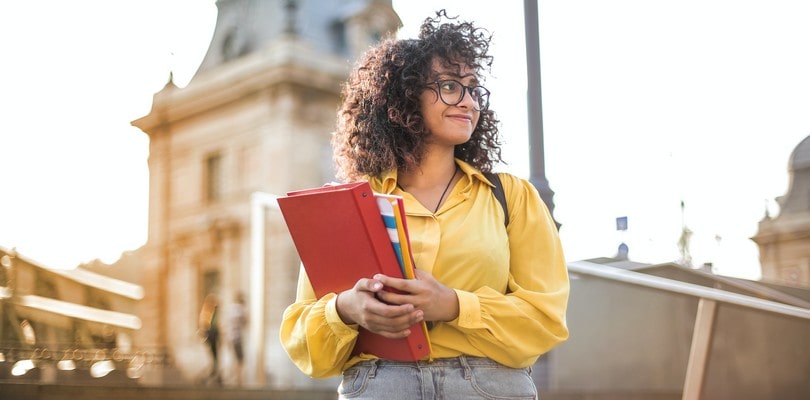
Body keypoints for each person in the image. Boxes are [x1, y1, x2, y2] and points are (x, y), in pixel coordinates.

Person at [280, 10, 569, 399]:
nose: (467, 101)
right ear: (404, 96)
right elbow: (304, 342)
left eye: (473, 88)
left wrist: (452, 305)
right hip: (380, 384)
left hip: (489, 387)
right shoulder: (349, 204)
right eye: (450, 85)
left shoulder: (512, 197)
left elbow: (546, 320)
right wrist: (346, 310)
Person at [226, 291, 248, 385]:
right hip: (237, 337)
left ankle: (235, 379)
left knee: (234, 358)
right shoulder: (239, 309)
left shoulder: (231, 308)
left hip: (230, 337)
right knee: (240, 360)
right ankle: (238, 380)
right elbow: (245, 322)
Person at [198, 293, 221, 384]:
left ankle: (214, 371)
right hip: (211, 334)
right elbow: (205, 324)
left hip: (212, 334)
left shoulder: (212, 311)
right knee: (213, 355)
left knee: (215, 355)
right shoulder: (208, 311)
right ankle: (213, 371)